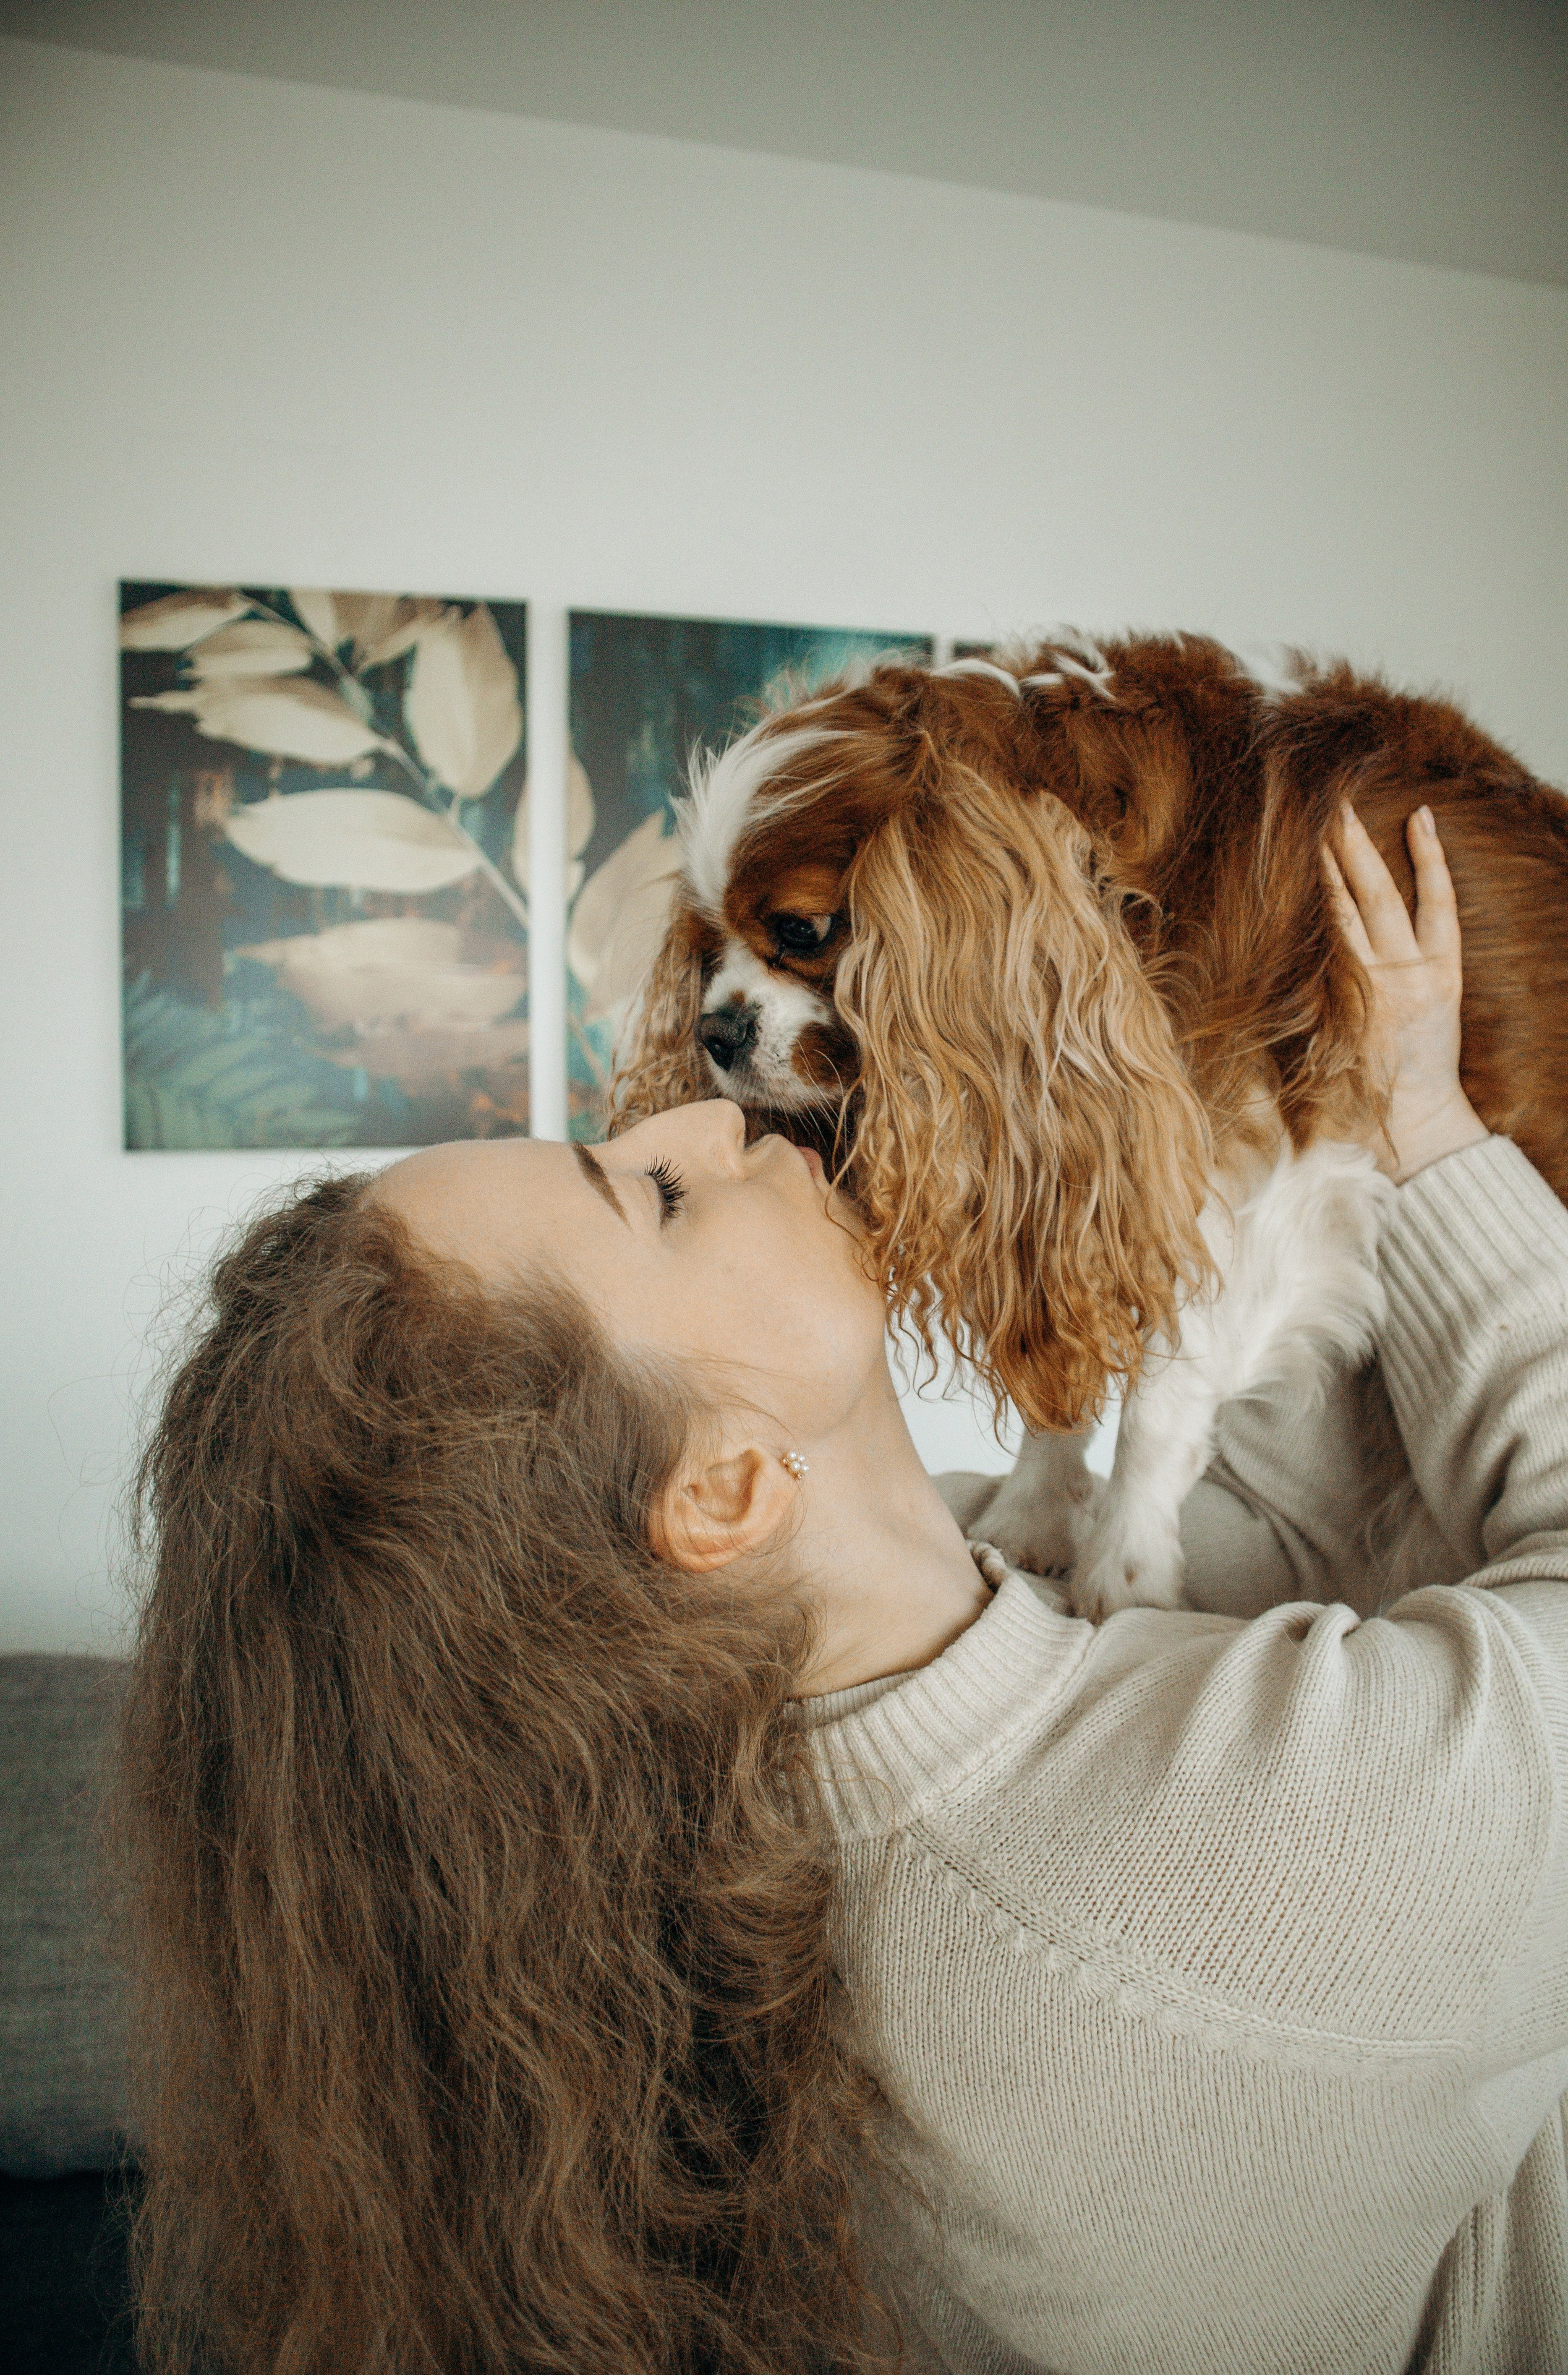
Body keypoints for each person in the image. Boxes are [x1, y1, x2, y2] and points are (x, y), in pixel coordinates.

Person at [116, 810, 1568, 2375]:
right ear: (724, 1492)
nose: (695, 1118)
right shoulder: (1181, 1883)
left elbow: (1264, 1550)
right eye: (650, 1197)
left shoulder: (771, 1768)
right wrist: (1421, 1126)